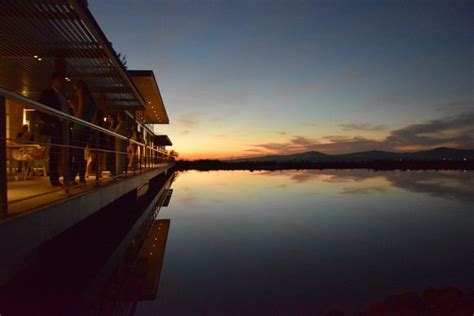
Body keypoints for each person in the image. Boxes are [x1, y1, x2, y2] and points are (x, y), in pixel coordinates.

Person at [37, 72, 69, 186]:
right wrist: (50, 122)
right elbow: (39, 108)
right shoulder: (48, 93)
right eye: (60, 81)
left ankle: (62, 176)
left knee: (61, 152)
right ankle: (54, 178)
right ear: (54, 81)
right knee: (55, 153)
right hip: (55, 126)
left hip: (63, 127)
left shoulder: (63, 95)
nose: (62, 83)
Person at [69, 80, 96, 184]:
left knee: (78, 154)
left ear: (80, 89)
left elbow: (78, 116)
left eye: (76, 90)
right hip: (86, 129)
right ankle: (76, 177)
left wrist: (73, 107)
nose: (76, 92)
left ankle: (78, 177)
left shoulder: (82, 98)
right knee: (79, 153)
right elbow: (93, 117)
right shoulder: (92, 101)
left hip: (78, 128)